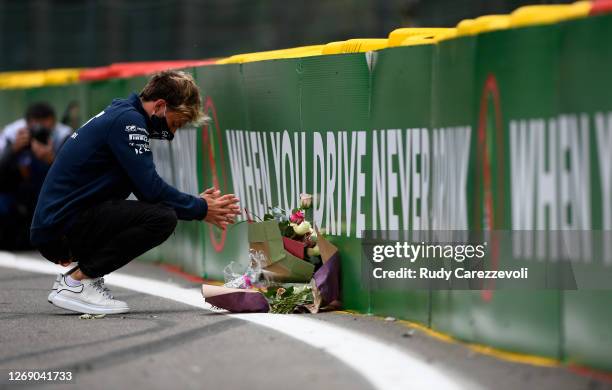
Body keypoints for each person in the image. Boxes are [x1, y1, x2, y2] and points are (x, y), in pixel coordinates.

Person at [30, 70, 240, 315]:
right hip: (60, 227)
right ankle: (78, 282)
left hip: (58, 224)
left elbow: (145, 191)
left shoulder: (122, 114)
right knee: (161, 218)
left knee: (155, 212)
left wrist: (195, 205)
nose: (171, 134)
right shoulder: (128, 121)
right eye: (174, 124)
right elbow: (151, 190)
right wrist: (200, 208)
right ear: (160, 106)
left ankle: (83, 278)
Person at [0, 102, 72, 250]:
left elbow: (74, 176)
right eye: (35, 128)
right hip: (17, 191)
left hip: (48, 191)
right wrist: (14, 149)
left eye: (45, 128)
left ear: (53, 122)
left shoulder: (64, 135)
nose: (39, 131)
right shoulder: (13, 133)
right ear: (27, 124)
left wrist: (52, 160)